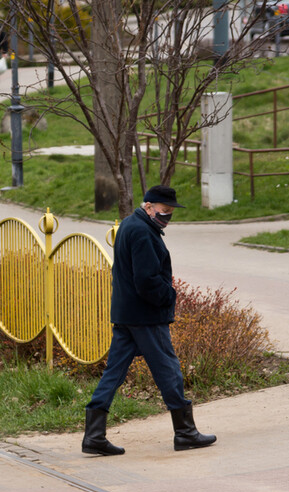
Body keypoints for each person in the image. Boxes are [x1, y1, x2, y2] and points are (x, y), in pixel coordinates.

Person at [82, 185, 217, 455]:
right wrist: (169, 295)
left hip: (126, 314)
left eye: (170, 212)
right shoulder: (143, 232)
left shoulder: (130, 225)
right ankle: (185, 432)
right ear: (148, 205)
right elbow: (146, 281)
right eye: (164, 211)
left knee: (113, 373)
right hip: (145, 317)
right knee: (168, 370)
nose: (167, 216)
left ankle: (93, 436)